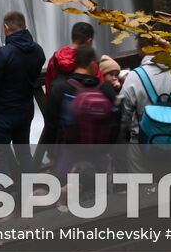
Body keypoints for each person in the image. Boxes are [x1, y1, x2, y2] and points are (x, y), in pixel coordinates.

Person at [40, 45, 119, 175]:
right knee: (99, 191)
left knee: (67, 191)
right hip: (99, 156)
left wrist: (52, 153)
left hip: (68, 156)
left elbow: (51, 125)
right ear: (93, 64)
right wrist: (107, 148)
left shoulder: (60, 89)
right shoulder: (106, 90)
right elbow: (116, 123)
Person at [0, 11, 45, 147]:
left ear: (6, 27)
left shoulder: (3, 54)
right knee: (24, 154)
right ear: (24, 25)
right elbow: (31, 74)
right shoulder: (38, 50)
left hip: (3, 112)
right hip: (26, 109)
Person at [40, 22, 94, 96]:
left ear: (73, 37)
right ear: (89, 41)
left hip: (60, 102)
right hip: (82, 103)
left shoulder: (55, 58)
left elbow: (49, 84)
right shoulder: (88, 61)